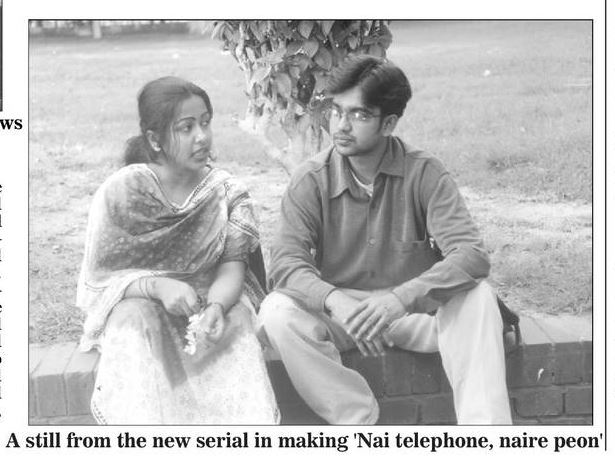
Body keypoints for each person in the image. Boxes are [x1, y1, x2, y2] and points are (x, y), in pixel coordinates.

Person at [258, 55, 512, 425]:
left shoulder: (424, 172)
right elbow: (285, 264)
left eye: (359, 115)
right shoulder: (310, 179)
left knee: (478, 297)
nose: (341, 126)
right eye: (336, 111)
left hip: (415, 313)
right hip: (346, 317)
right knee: (277, 312)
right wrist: (336, 302)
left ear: (389, 123)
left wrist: (398, 301)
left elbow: (470, 255)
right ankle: (357, 422)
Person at [76, 76, 278, 424]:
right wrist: (157, 286)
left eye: (205, 123)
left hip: (214, 298)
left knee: (237, 326)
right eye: (186, 128)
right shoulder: (122, 193)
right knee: (131, 324)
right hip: (144, 303)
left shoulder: (227, 193)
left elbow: (232, 267)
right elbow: (102, 281)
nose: (202, 136)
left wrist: (215, 307)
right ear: (155, 140)